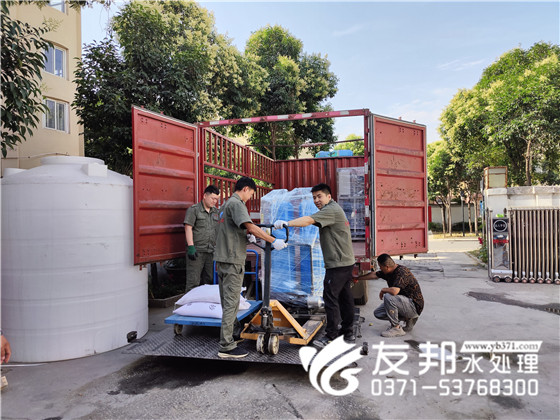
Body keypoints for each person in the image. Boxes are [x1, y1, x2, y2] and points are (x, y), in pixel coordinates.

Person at [274, 183, 356, 348]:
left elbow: (308, 220)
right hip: (345, 261)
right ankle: (348, 332)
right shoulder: (332, 209)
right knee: (345, 298)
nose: (317, 200)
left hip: (338, 264)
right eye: (314, 198)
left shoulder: (330, 210)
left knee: (330, 298)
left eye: (319, 196)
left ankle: (331, 336)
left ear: (329, 196)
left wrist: (286, 223)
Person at [214, 177, 287, 359]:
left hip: (223, 259)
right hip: (232, 260)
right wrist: (273, 240)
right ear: (246, 189)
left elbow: (231, 231)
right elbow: (251, 227)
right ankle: (226, 346)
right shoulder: (237, 204)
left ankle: (234, 333)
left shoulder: (225, 205)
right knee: (231, 303)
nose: (250, 198)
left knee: (227, 301)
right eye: (251, 194)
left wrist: (246, 238)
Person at [360, 253, 424, 337]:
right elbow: (374, 275)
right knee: (378, 313)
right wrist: (357, 278)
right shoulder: (389, 271)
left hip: (414, 306)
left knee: (388, 297)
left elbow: (394, 291)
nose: (380, 269)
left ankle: (396, 328)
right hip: (404, 303)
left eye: (380, 267)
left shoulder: (401, 273)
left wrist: (383, 290)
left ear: (386, 267)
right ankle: (408, 318)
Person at [183, 185, 220, 293]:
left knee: (210, 280)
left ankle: (205, 303)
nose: (214, 201)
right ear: (205, 196)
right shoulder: (194, 210)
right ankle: (190, 303)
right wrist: (191, 247)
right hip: (196, 251)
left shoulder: (216, 212)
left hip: (211, 251)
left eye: (216, 199)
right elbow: (188, 228)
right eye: (212, 198)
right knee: (193, 281)